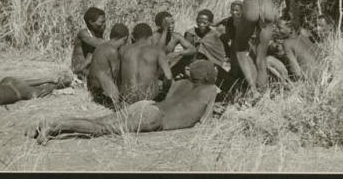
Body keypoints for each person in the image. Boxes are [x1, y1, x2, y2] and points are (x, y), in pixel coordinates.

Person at [25, 60, 219, 144]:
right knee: (102, 129)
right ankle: (55, 124)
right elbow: (205, 122)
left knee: (100, 120)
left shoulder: (180, 83)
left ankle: (46, 122)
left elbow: (173, 102)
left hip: (146, 105)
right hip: (154, 117)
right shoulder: (210, 90)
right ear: (209, 76)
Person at [0, 64, 72, 114]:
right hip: (8, 83)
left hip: (17, 92)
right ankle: (47, 78)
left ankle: (60, 82)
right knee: (25, 83)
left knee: (43, 91)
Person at [119, 23, 173, 104]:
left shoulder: (123, 50)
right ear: (150, 37)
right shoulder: (157, 50)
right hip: (148, 100)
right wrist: (164, 92)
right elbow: (168, 77)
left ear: (133, 37)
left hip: (127, 100)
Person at [86, 23, 129, 108]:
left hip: (92, 85)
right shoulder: (113, 51)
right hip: (101, 84)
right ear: (124, 39)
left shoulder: (101, 46)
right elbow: (116, 74)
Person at [152, 11, 196, 78]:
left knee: (186, 56)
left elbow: (192, 49)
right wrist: (165, 30)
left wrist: (178, 53)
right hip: (156, 68)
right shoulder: (155, 36)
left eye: (172, 23)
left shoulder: (175, 36)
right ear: (160, 25)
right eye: (167, 24)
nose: (171, 26)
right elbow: (159, 51)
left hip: (169, 66)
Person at [71, 7, 106, 80]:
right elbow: (100, 44)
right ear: (91, 22)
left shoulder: (98, 33)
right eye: (101, 22)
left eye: (104, 22)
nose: (104, 25)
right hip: (80, 70)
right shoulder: (83, 33)